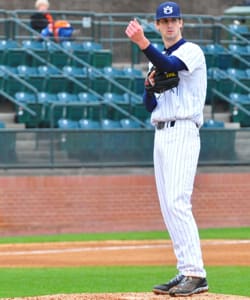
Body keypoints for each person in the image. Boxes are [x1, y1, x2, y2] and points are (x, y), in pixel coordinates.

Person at [125, 1, 208, 297]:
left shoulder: (191, 52)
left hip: (184, 129)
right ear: (159, 25)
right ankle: (185, 268)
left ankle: (196, 274)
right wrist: (148, 88)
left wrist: (142, 42)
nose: (170, 25)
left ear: (182, 23)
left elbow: (171, 67)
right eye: (164, 21)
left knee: (177, 201)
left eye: (174, 20)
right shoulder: (155, 59)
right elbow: (149, 104)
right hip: (160, 133)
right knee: (167, 206)